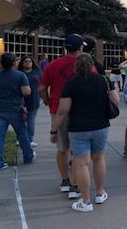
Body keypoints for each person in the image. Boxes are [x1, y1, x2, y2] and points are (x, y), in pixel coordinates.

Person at [50, 54, 119, 213]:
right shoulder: (102, 80)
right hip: (101, 126)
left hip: (78, 128)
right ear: (92, 66)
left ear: (76, 67)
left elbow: (63, 110)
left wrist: (54, 129)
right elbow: (115, 100)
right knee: (99, 158)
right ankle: (100, 193)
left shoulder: (70, 84)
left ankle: (86, 201)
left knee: (81, 163)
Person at [39, 34, 88, 196]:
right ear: (80, 47)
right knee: (78, 150)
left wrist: (48, 101)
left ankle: (65, 180)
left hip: (58, 110)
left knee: (62, 148)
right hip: (80, 111)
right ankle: (75, 185)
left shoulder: (52, 65)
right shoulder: (87, 66)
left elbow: (41, 88)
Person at [0, 52, 35, 171]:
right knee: (22, 134)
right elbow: (26, 92)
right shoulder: (20, 76)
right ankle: (28, 156)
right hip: (15, 109)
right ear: (14, 63)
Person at [18, 56, 42, 148]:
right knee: (21, 121)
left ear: (33, 63)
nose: (27, 63)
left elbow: (43, 85)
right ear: (22, 63)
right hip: (20, 100)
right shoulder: (19, 73)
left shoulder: (37, 73)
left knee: (31, 120)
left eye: (29, 61)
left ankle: (30, 139)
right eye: (25, 61)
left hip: (34, 100)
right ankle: (20, 138)